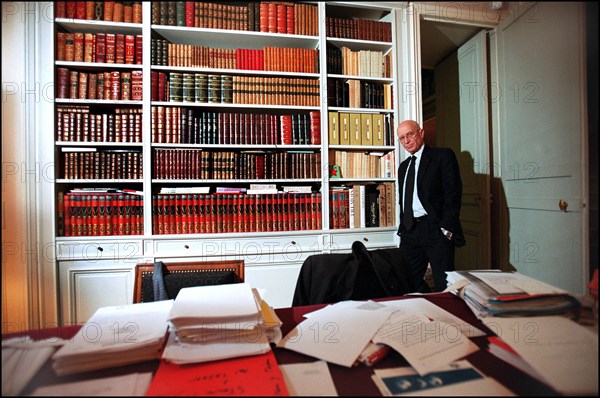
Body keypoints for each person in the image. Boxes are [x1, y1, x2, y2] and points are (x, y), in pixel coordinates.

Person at [396, 120, 465, 292]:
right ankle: (423, 311)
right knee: (407, 280)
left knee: (445, 283)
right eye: (402, 138)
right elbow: (403, 200)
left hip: (435, 229)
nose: (406, 141)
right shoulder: (403, 167)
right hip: (410, 231)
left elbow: (453, 194)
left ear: (421, 133)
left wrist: (446, 229)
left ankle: (448, 317)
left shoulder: (442, 156)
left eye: (410, 134)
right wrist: (404, 226)